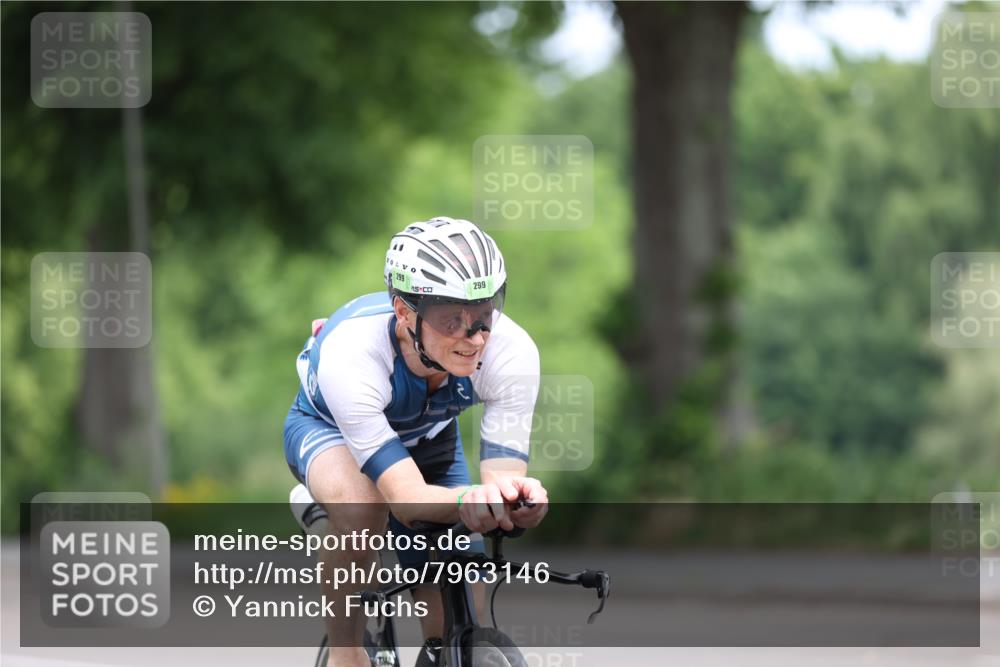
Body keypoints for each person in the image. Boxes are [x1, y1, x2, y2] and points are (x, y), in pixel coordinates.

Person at [283, 217, 549, 667]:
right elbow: (406, 501)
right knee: (365, 512)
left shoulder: (512, 351)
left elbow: (499, 483)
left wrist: (517, 501)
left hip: (428, 436)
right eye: (453, 319)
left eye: (484, 314)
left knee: (458, 591)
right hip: (329, 430)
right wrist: (471, 499)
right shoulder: (354, 354)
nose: (475, 337)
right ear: (405, 313)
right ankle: (346, 653)